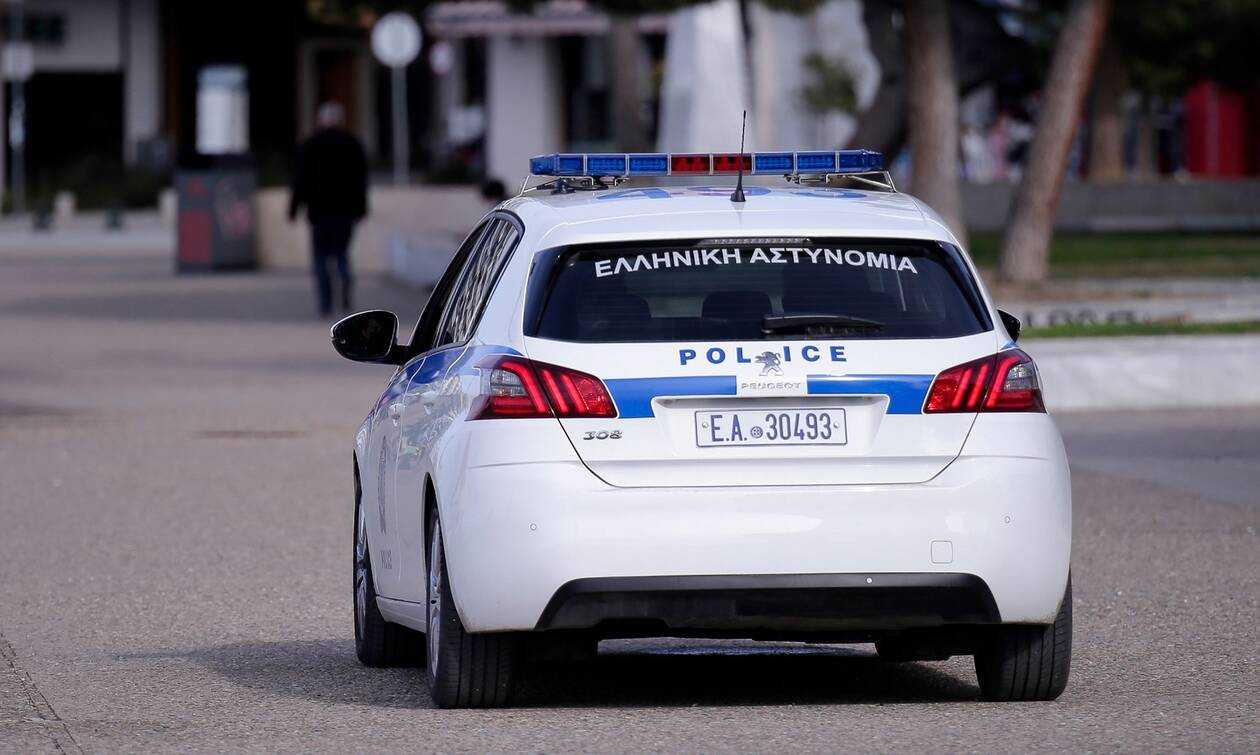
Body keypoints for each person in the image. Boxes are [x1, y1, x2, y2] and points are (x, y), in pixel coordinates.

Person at [289, 102, 368, 317]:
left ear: (321, 120)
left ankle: (325, 304)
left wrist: (294, 209)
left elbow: (300, 180)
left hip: (319, 211)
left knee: (321, 258)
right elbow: (361, 180)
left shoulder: (310, 144)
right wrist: (362, 208)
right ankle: (345, 286)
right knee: (341, 253)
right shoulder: (352, 143)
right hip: (345, 211)